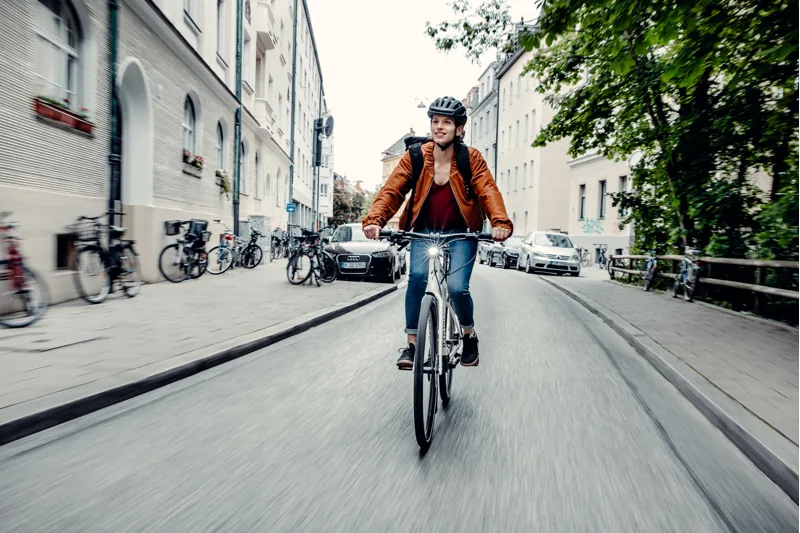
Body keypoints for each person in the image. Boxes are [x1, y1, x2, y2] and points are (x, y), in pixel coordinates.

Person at [363, 96, 512, 370]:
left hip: (461, 234)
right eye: (435, 122)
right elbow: (392, 190)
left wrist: (500, 222)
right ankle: (411, 345)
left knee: (457, 288)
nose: (439, 127)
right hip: (425, 232)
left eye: (447, 122)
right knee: (417, 279)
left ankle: (468, 335)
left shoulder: (470, 158)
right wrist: (375, 219)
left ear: (459, 129)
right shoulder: (416, 156)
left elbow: (487, 189)